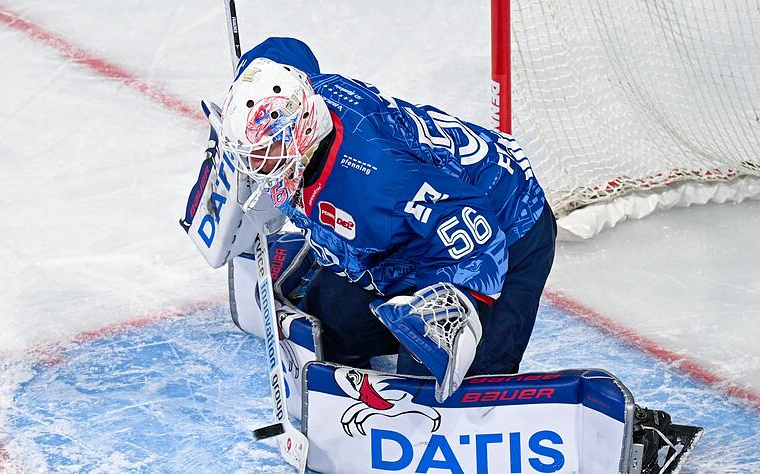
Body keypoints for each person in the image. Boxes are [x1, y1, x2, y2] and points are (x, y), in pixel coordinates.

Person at [193, 37, 556, 402]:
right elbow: (287, 52)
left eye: (263, 151)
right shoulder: (297, 95)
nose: (254, 166)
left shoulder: (377, 180)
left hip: (507, 228)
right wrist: (246, 87)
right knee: (335, 321)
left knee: (429, 394)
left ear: (300, 131)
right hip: (408, 229)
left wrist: (451, 312)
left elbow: (480, 236)